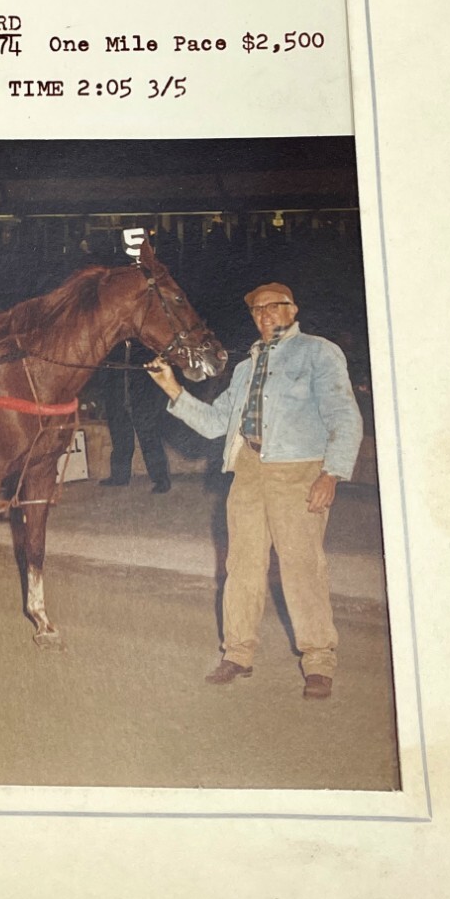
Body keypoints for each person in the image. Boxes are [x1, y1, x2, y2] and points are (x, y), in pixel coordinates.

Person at [147, 282, 363, 699]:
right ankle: (238, 653)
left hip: (298, 472)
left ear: (292, 309)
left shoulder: (319, 352)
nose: (264, 315)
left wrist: (331, 473)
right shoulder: (246, 368)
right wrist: (172, 387)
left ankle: (318, 662)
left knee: (303, 568)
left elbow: (344, 416)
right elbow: (213, 423)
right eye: (256, 310)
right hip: (247, 469)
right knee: (242, 567)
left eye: (273, 307)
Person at [97, 340, 171, 493]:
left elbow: (156, 374)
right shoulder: (113, 345)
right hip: (116, 399)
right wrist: (106, 397)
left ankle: (161, 479)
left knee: (150, 439)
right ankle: (119, 477)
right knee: (120, 439)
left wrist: (154, 401)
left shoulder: (144, 344)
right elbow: (103, 373)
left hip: (142, 400)